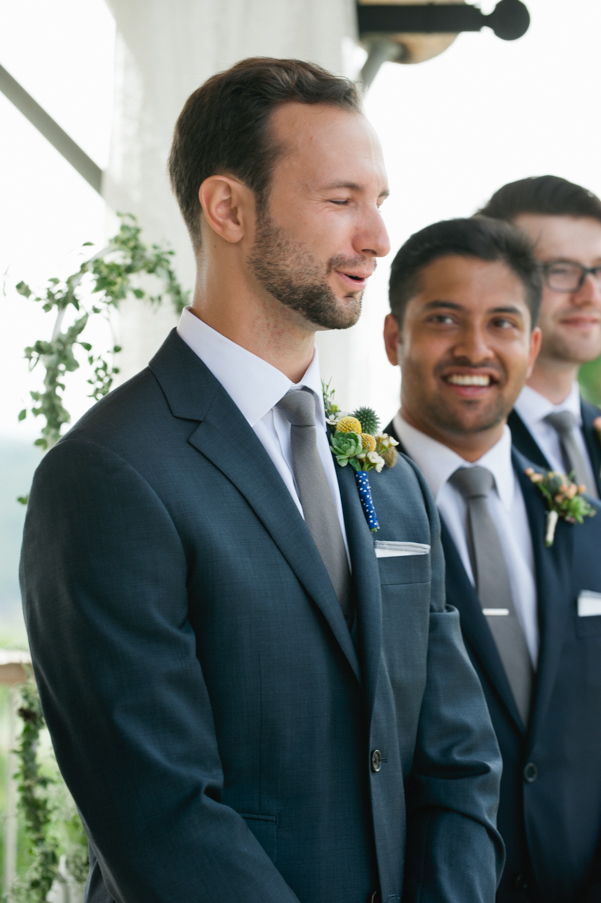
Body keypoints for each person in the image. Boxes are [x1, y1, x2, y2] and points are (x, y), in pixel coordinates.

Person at [20, 59, 503, 903]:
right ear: (228, 207)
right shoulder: (108, 473)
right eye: (340, 199)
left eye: (378, 202)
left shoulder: (383, 472)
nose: (377, 238)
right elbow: (162, 814)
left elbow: (456, 756)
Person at [383, 216, 601, 903]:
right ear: (394, 337)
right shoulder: (344, 506)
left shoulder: (579, 507)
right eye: (444, 319)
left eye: (502, 323)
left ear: (532, 346)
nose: (474, 348)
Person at [478, 176, 601, 498]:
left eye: (600, 270)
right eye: (560, 269)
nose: (592, 294)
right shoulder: (459, 439)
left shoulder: (596, 428)